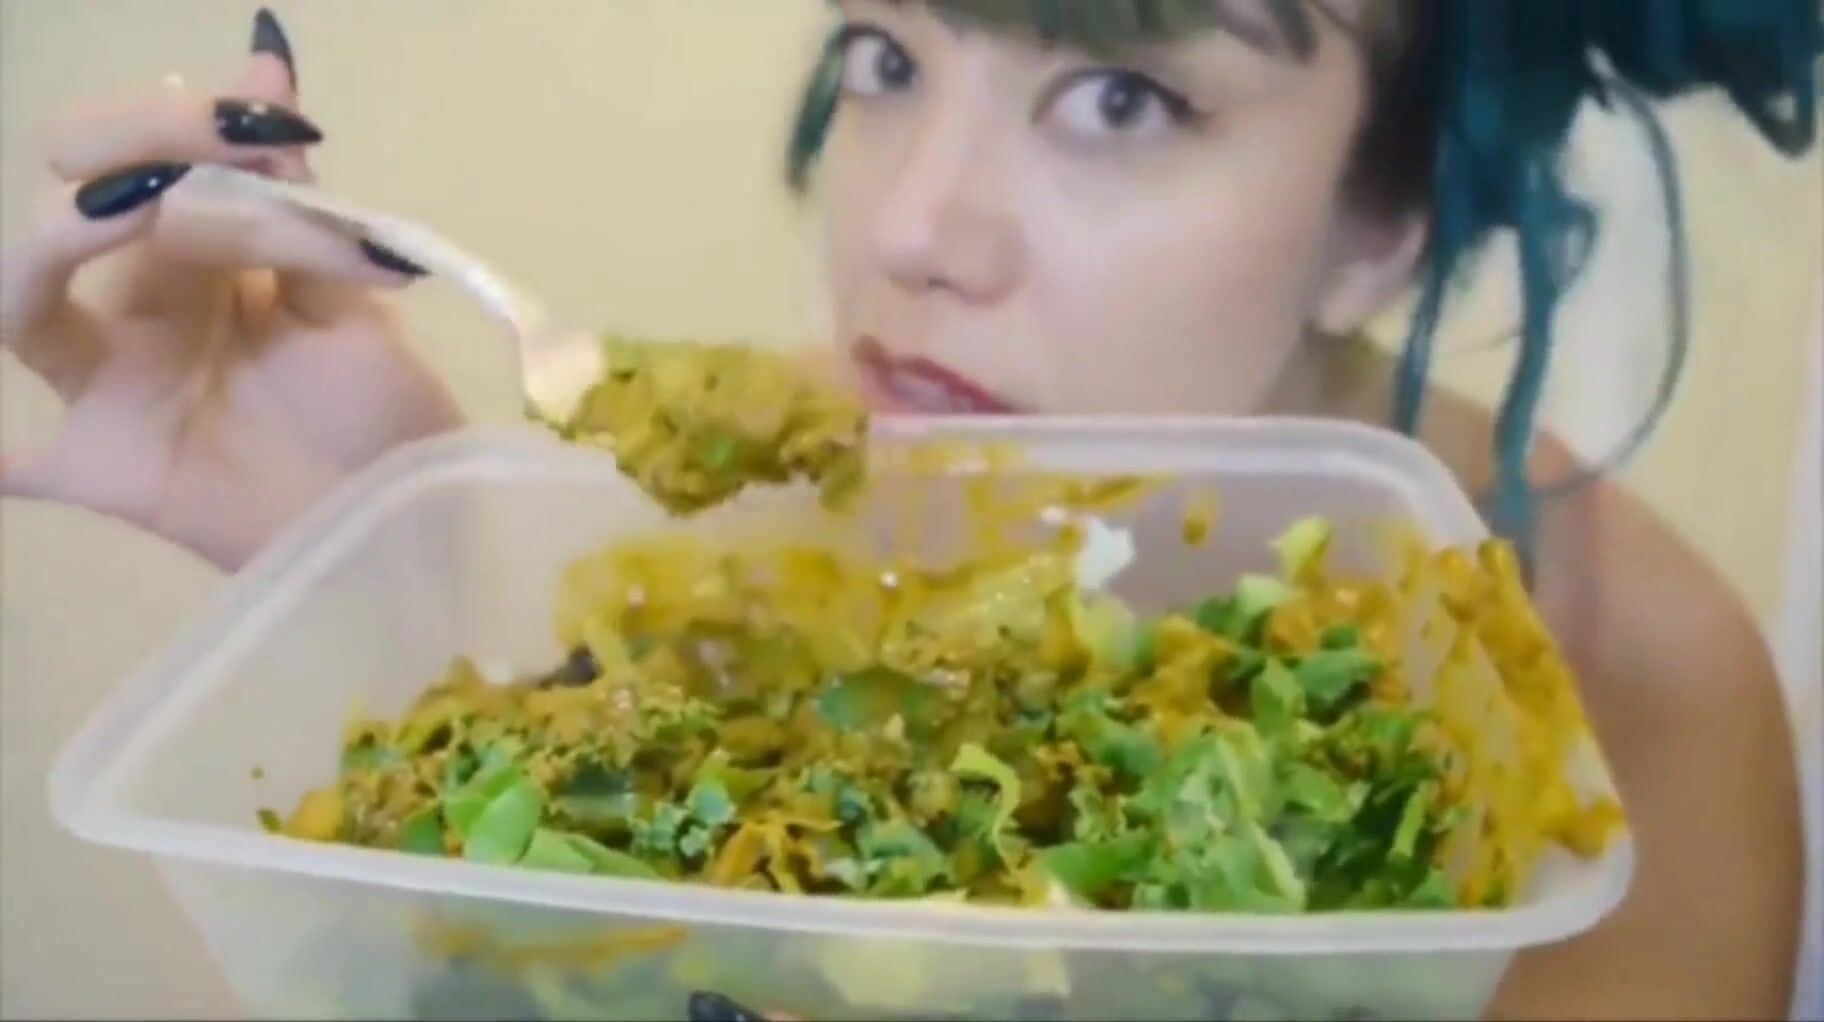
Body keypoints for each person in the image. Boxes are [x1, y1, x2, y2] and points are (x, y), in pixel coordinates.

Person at [0, 3, 1815, 1020]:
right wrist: (395, 599)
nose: (908, 231)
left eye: (1123, 94)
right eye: (885, 56)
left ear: (1386, 219)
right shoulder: (713, 512)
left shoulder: (1622, 689)